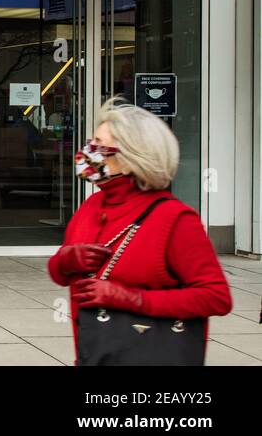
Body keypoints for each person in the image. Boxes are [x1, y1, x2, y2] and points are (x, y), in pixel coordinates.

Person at [47, 98, 232, 364]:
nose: (88, 152)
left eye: (99, 146)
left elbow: (216, 298)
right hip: (95, 354)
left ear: (131, 158)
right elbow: (59, 273)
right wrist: (66, 260)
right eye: (91, 143)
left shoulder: (174, 218)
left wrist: (132, 299)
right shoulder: (91, 206)